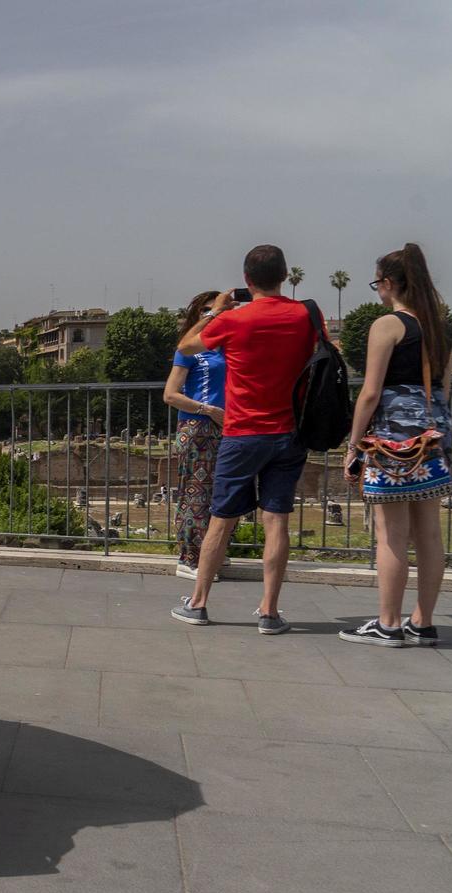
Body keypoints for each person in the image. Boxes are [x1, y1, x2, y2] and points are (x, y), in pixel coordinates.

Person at [171, 245, 316, 634]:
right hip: (288, 432)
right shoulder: (305, 316)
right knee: (277, 521)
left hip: (241, 432)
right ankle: (269, 611)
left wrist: (218, 310)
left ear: (247, 280)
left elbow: (186, 347)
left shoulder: (235, 320)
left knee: (221, 520)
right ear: (284, 276)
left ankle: (198, 603)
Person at [340, 244, 452, 647]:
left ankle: (388, 623)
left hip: (392, 440)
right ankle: (422, 622)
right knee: (429, 534)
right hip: (433, 437)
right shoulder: (441, 329)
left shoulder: (387, 325)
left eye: (377, 284)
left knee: (391, 534)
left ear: (389, 283)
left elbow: (370, 392)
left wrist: (353, 446)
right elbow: (442, 389)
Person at [164, 291, 226, 578]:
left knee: (221, 495)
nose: (216, 314)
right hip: (197, 427)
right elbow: (171, 395)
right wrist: (207, 410)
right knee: (196, 494)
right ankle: (189, 557)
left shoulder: (227, 348)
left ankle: (211, 553)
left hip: (227, 427)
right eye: (208, 311)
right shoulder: (189, 350)